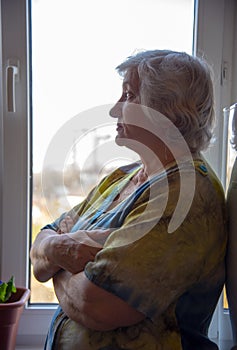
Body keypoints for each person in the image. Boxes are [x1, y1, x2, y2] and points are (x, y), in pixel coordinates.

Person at [30, 49, 227, 350]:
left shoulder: (188, 193)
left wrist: (64, 254)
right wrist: (65, 247)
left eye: (128, 95)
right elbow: (38, 254)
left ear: (166, 109)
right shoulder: (121, 177)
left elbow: (95, 304)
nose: (114, 110)